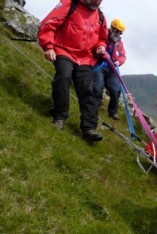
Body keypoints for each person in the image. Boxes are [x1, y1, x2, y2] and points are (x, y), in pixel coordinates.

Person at [38, 0, 107, 142]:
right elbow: (49, 24)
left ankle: (89, 128)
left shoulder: (100, 16)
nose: (97, 3)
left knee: (88, 89)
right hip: (64, 50)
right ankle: (60, 116)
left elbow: (102, 38)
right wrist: (49, 46)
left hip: (85, 58)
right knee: (63, 77)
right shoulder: (69, 4)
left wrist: (100, 46)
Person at [93, 18, 127, 120]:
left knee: (116, 90)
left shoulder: (120, 43)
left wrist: (119, 62)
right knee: (98, 86)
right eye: (117, 31)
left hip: (112, 69)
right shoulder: (103, 35)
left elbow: (123, 56)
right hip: (99, 65)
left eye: (120, 33)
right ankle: (95, 106)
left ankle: (112, 113)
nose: (118, 34)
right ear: (112, 28)